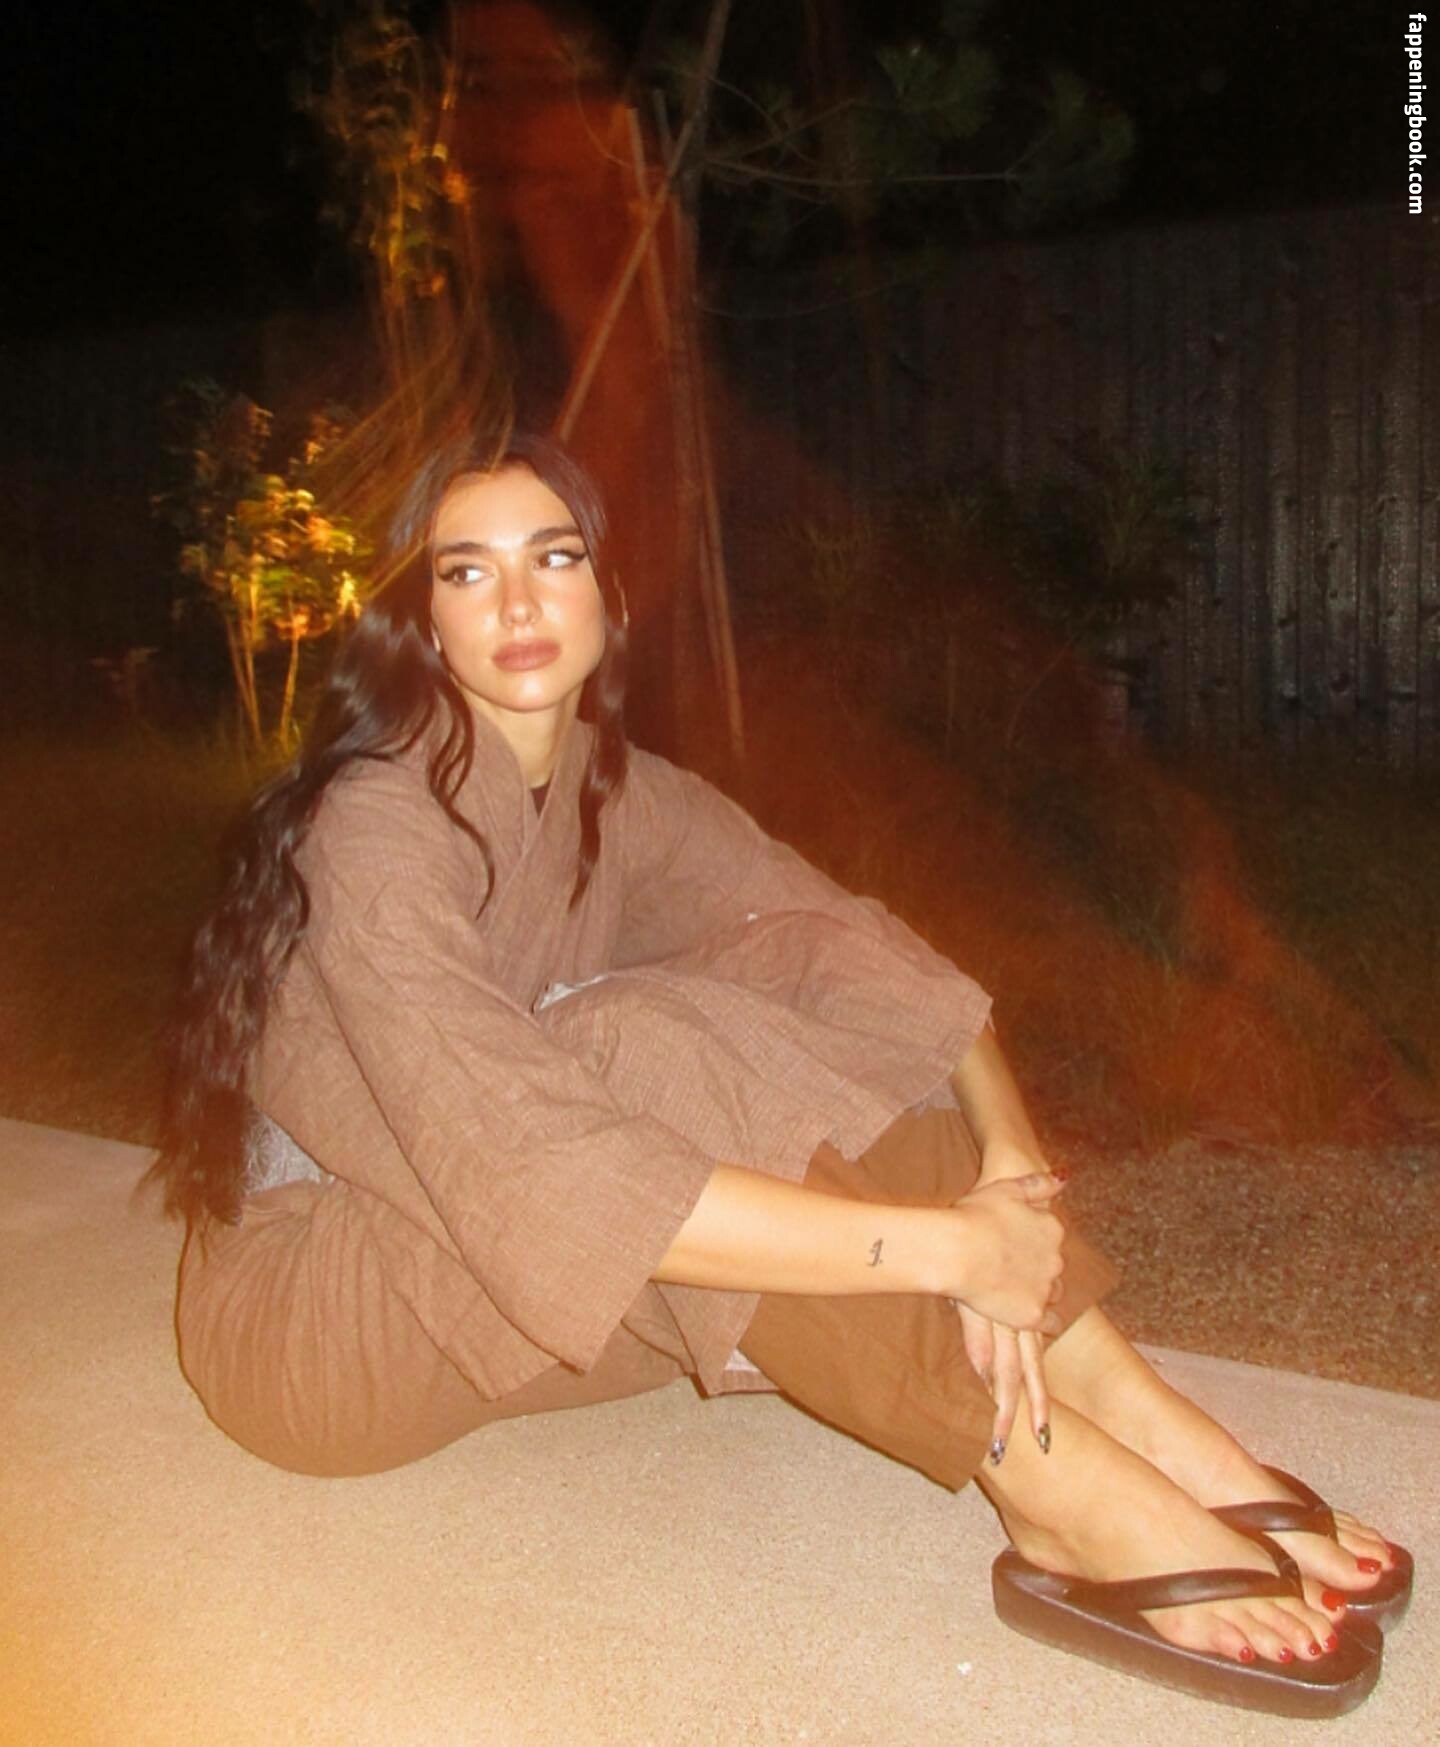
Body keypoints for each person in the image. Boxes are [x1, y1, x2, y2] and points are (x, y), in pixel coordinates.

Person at [149, 434, 1408, 1718]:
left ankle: (1130, 1406)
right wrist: (939, 1252)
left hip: (525, 1266)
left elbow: (848, 942)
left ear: (608, 594)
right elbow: (533, 1166)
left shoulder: (616, 791)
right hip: (321, 1316)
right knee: (635, 1040)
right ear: (423, 620)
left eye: (553, 557)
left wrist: (1010, 1164)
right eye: (467, 571)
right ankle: (1049, 1479)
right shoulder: (374, 824)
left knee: (782, 965)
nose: (517, 601)